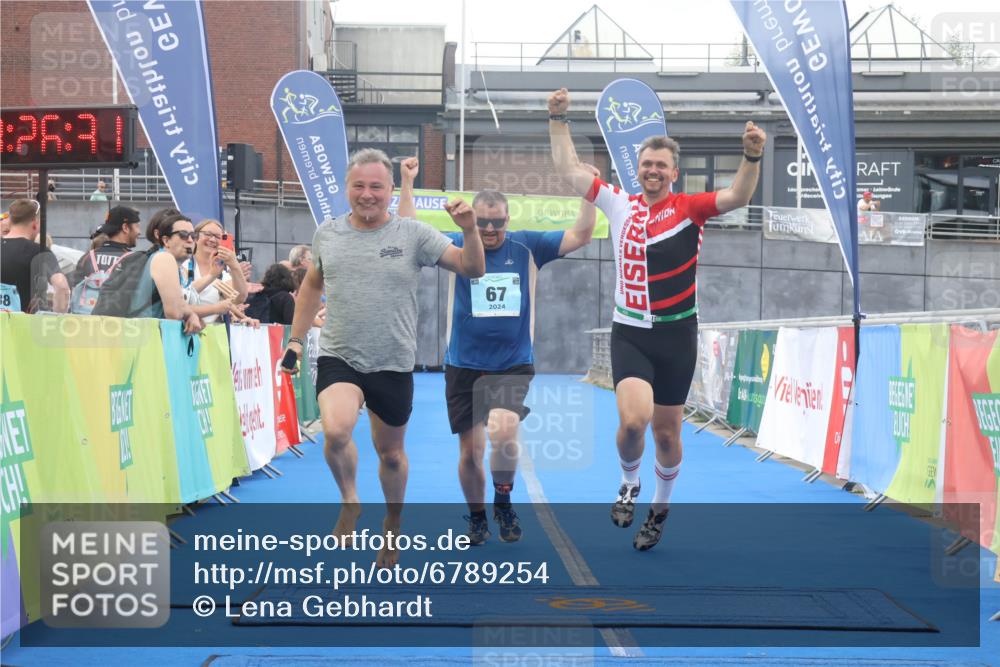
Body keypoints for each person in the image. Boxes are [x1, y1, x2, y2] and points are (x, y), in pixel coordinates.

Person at [548, 87, 767, 551]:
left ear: (673, 173)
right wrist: (558, 119)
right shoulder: (616, 202)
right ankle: (629, 483)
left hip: (677, 335)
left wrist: (751, 157)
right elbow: (568, 170)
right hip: (630, 332)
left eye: (661, 166)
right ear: (639, 169)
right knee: (633, 422)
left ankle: (660, 508)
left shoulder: (690, 209)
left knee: (667, 433)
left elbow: (737, 193)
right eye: (647, 164)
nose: (652, 171)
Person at [281, 148, 485, 568]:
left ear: (391, 191)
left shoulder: (413, 234)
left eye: (376, 186)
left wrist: (470, 230)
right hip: (341, 353)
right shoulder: (329, 234)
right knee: (336, 432)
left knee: (390, 453)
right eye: (359, 186)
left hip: (392, 361)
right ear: (347, 189)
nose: (367, 194)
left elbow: (472, 269)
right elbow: (310, 290)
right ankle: (350, 500)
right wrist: (297, 341)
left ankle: (392, 523)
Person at [399, 156, 598, 545]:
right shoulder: (458, 243)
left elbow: (581, 235)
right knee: (471, 453)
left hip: (512, 363)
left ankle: (503, 502)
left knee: (504, 433)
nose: (489, 230)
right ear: (473, 218)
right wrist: (407, 182)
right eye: (483, 221)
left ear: (508, 220)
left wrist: (589, 192)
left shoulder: (529, 246)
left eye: (497, 222)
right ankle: (476, 516)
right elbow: (408, 232)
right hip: (463, 364)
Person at [0, 199, 69, 313]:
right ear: (35, 224)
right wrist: (58, 320)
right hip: (22, 327)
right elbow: (62, 287)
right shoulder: (39, 252)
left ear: (10, 222)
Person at [140, 213, 204, 333]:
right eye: (183, 235)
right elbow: (175, 312)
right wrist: (191, 315)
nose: (190, 240)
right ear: (166, 240)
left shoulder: (167, 262)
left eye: (193, 235)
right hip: (150, 339)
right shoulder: (164, 258)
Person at [184, 219, 249, 324]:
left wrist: (234, 265)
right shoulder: (184, 264)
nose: (212, 240)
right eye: (208, 234)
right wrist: (212, 276)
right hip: (182, 330)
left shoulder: (221, 274)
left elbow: (239, 297)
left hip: (209, 334)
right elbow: (182, 297)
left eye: (218, 237)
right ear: (195, 237)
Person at [69, 205, 142, 288]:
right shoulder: (135, 260)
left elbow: (76, 293)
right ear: (125, 228)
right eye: (137, 226)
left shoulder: (86, 258)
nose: (139, 232)